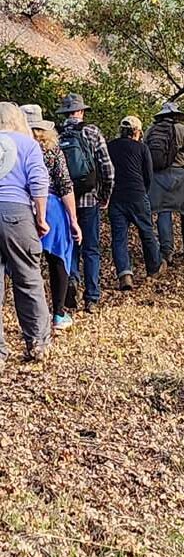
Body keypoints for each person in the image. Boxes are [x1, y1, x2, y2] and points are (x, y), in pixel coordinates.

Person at [0, 100, 51, 362]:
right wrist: (41, 218)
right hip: (16, 214)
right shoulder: (27, 144)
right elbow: (38, 181)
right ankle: (37, 343)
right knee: (28, 279)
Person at [56, 94, 114, 312]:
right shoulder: (92, 132)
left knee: (71, 243)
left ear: (65, 113)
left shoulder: (56, 136)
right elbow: (107, 168)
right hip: (90, 198)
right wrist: (105, 194)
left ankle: (72, 279)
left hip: (64, 199)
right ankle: (92, 297)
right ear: (81, 111)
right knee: (91, 247)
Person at [31, 118, 81, 334]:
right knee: (58, 259)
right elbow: (65, 185)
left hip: (22, 206)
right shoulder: (52, 150)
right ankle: (58, 314)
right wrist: (73, 220)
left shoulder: (14, 149)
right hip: (52, 208)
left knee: (26, 264)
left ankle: (33, 315)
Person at [106, 115, 161, 288]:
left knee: (119, 238)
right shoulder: (142, 148)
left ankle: (125, 274)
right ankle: (153, 268)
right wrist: (143, 192)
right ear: (137, 131)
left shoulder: (110, 146)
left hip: (116, 197)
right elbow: (148, 176)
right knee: (146, 232)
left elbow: (105, 171)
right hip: (137, 195)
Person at [146, 98, 184, 264]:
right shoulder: (182, 130)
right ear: (176, 115)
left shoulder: (151, 130)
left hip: (158, 177)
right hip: (181, 177)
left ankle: (166, 252)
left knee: (164, 211)